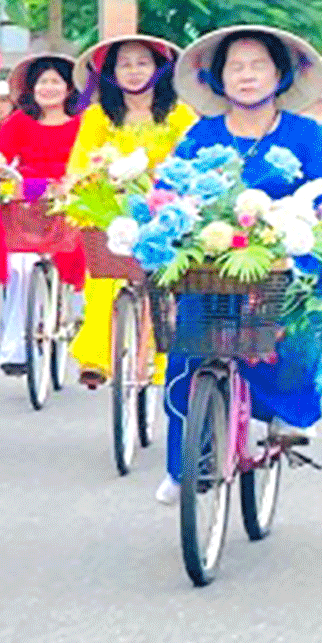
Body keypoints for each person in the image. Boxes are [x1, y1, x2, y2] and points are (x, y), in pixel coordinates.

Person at [156, 27, 322, 504]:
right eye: (235, 67)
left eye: (257, 65)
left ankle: (289, 412)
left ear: (279, 74)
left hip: (283, 252)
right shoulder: (202, 133)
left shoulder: (304, 132)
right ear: (219, 79)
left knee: (298, 313)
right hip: (216, 257)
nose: (246, 75)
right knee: (187, 353)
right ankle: (184, 467)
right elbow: (170, 184)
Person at [66, 36, 194, 388]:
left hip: (165, 211)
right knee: (101, 277)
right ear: (111, 73)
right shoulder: (97, 117)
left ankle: (165, 360)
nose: (134, 71)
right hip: (114, 209)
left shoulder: (179, 114)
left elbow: (192, 163)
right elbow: (80, 162)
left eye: (143, 63)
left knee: (170, 287)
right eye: (125, 64)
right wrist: (83, 185)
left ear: (159, 69)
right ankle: (96, 356)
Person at [0, 51, 87, 377]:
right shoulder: (19, 121)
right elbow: (1, 153)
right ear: (32, 88)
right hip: (27, 198)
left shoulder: (83, 123)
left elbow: (92, 158)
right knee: (19, 266)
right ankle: (15, 346)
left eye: (55, 82)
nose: (48, 88)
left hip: (70, 197)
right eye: (42, 82)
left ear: (69, 89)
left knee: (81, 252)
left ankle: (75, 314)